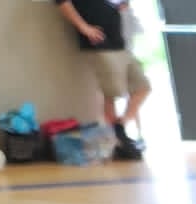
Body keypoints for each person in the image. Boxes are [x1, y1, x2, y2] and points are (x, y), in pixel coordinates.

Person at [57, 0, 151, 158]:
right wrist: (83, 27)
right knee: (111, 93)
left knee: (142, 87)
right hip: (100, 45)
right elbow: (62, 3)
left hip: (121, 44)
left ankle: (120, 127)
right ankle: (117, 141)